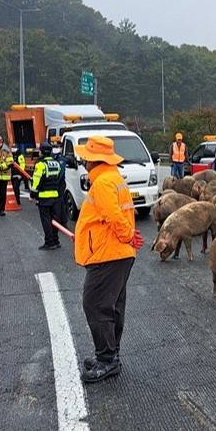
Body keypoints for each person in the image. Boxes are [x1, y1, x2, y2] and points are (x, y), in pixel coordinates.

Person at [74, 135, 144, 383]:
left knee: (95, 304)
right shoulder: (114, 179)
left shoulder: (103, 183)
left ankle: (106, 359)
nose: (83, 160)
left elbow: (115, 218)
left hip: (108, 253)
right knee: (112, 305)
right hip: (117, 254)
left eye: (85, 158)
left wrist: (126, 236)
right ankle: (110, 354)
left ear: (94, 160)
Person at [30, 142, 64, 250]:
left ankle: (49, 242)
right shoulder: (56, 163)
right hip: (55, 195)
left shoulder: (40, 164)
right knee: (55, 220)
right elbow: (59, 179)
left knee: (46, 220)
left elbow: (36, 180)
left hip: (44, 197)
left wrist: (33, 194)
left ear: (41, 151)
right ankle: (56, 240)